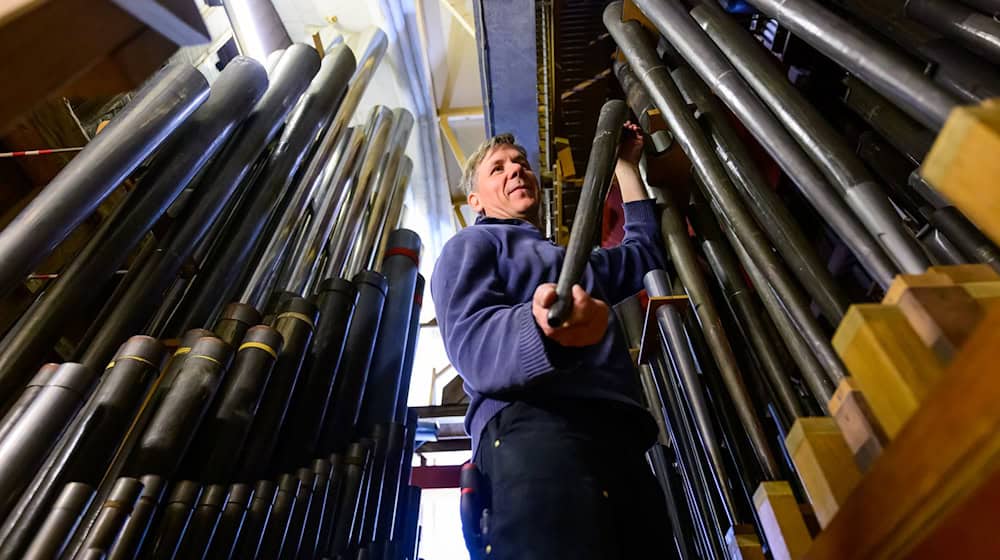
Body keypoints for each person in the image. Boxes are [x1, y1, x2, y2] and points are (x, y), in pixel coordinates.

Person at [431, 122, 673, 560]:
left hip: (617, 435)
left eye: (521, 163)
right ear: (475, 201)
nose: (516, 171)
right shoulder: (470, 244)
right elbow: (472, 343)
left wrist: (625, 167)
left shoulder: (569, 262)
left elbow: (645, 255)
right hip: (532, 428)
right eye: (498, 169)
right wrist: (543, 328)